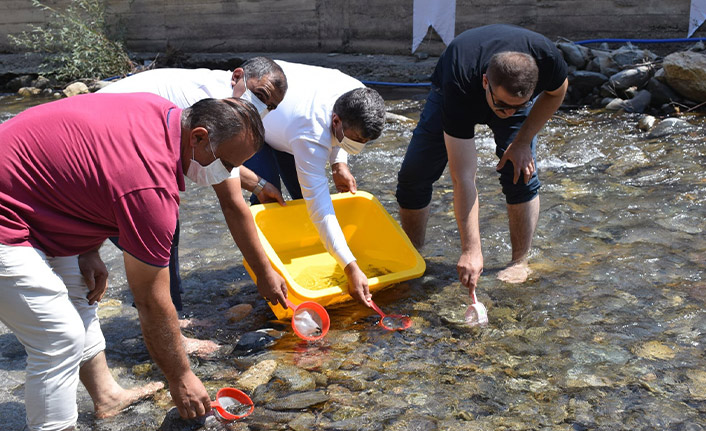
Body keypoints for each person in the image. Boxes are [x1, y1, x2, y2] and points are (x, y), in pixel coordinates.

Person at [0, 93, 264, 429]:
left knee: (80, 293)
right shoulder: (151, 188)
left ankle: (106, 396)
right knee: (58, 337)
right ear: (198, 137)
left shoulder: (163, 112)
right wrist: (181, 376)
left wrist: (88, 247)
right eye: (227, 164)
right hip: (8, 213)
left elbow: (89, 169)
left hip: (31, 195)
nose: (229, 173)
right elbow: (151, 301)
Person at [100, 57, 290, 354]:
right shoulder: (209, 105)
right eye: (261, 95)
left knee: (160, 227)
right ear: (237, 76)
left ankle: (167, 316)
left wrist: (259, 184)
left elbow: (223, 165)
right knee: (157, 228)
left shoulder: (227, 103)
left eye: (271, 106)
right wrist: (264, 272)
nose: (262, 107)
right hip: (109, 143)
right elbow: (231, 203)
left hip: (114, 137)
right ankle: (169, 330)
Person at [396, 24, 569, 299]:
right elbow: (463, 176)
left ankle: (519, 261)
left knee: (520, 171)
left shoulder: (547, 59)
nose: (508, 113)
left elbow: (557, 92)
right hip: (453, 90)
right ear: (486, 83)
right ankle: (414, 254)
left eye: (518, 106)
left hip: (506, 88)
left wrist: (523, 140)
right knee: (414, 175)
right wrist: (471, 249)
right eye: (503, 106)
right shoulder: (460, 82)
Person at [244, 60, 386, 305]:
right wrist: (351, 267)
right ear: (336, 122)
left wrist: (338, 163)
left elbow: (338, 134)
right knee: (267, 197)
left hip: (290, 124)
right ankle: (267, 274)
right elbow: (320, 208)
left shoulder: (359, 96)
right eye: (356, 140)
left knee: (300, 198)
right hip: (256, 121)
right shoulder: (311, 133)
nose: (359, 147)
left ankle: (313, 253)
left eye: (365, 141)